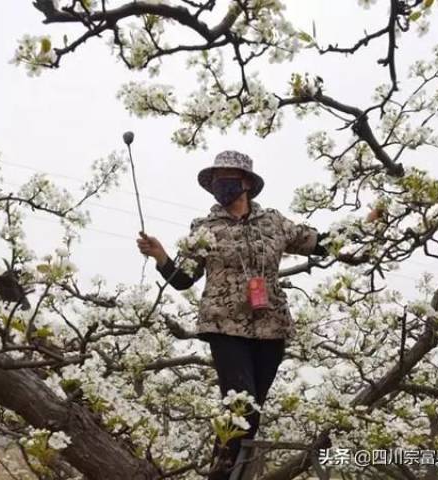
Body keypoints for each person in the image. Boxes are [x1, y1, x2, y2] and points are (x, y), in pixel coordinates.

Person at [137, 150, 374, 479]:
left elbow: (320, 243)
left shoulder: (273, 222)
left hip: (271, 327)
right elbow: (183, 279)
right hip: (223, 325)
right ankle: (221, 475)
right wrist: (161, 256)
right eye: (217, 179)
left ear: (246, 182)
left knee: (252, 413)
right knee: (240, 404)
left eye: (229, 178)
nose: (222, 185)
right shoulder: (204, 228)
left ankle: (232, 473)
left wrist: (366, 227)